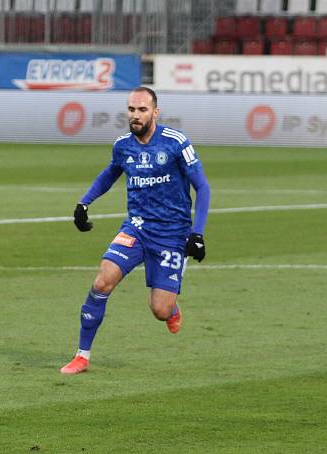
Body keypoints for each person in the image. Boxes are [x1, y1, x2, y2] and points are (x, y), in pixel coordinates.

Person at [60, 87, 211, 375]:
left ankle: (172, 309)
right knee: (102, 281)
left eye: (142, 110)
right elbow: (109, 174)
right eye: (131, 109)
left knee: (160, 310)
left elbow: (202, 186)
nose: (135, 115)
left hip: (172, 234)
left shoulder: (176, 143)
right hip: (137, 228)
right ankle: (82, 355)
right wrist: (84, 203)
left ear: (155, 112)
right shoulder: (122, 146)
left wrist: (198, 233)